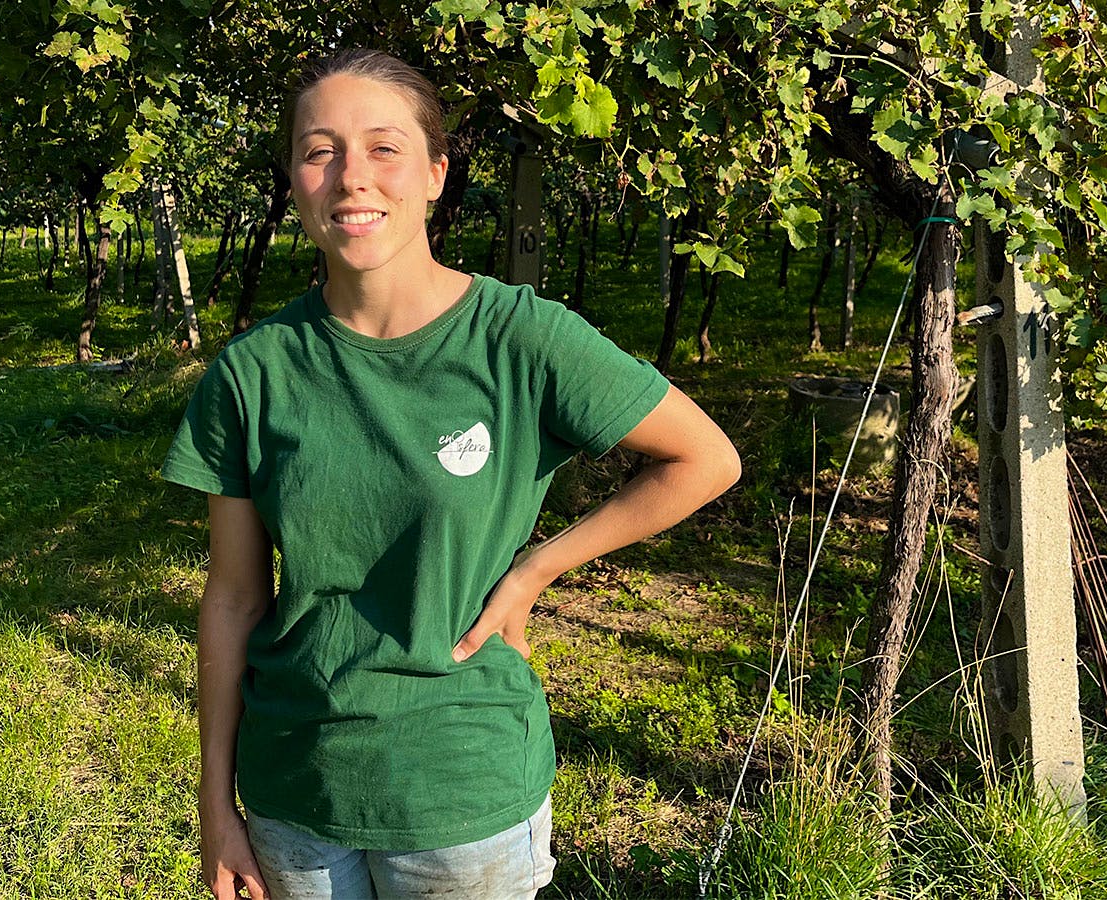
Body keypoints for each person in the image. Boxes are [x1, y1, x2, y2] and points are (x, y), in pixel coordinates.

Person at [161, 48, 741, 900]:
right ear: (293, 180)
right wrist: (216, 807)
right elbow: (234, 599)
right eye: (320, 151)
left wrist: (537, 569)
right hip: (296, 790)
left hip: (463, 794)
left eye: (384, 148)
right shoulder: (254, 373)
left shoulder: (520, 338)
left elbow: (705, 460)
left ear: (436, 174)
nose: (352, 177)